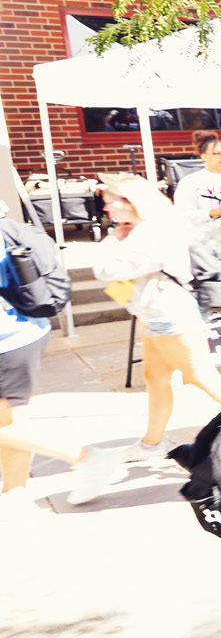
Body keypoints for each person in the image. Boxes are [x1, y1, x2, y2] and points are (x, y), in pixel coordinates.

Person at [92, 174, 221, 460]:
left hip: (171, 314)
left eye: (111, 202)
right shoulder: (150, 227)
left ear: (130, 202)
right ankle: (151, 443)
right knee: (155, 377)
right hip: (158, 314)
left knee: (202, 377)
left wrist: (111, 242)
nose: (107, 209)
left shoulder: (151, 232)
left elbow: (107, 271)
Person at [0, 200, 121, 506]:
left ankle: (87, 457)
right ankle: (14, 490)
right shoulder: (7, 225)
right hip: (23, 332)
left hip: (9, 339)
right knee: (8, 423)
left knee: (7, 423)